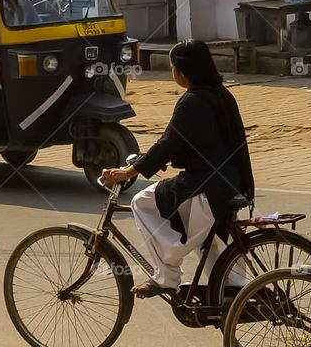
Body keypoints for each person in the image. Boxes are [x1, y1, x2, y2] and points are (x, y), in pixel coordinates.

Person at [101, 40, 255, 296]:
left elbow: (168, 143)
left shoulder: (192, 101)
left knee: (142, 202)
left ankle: (166, 276)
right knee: (209, 237)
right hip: (231, 182)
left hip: (207, 185)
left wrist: (129, 172)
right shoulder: (222, 95)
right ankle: (232, 293)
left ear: (182, 72)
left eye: (173, 67)